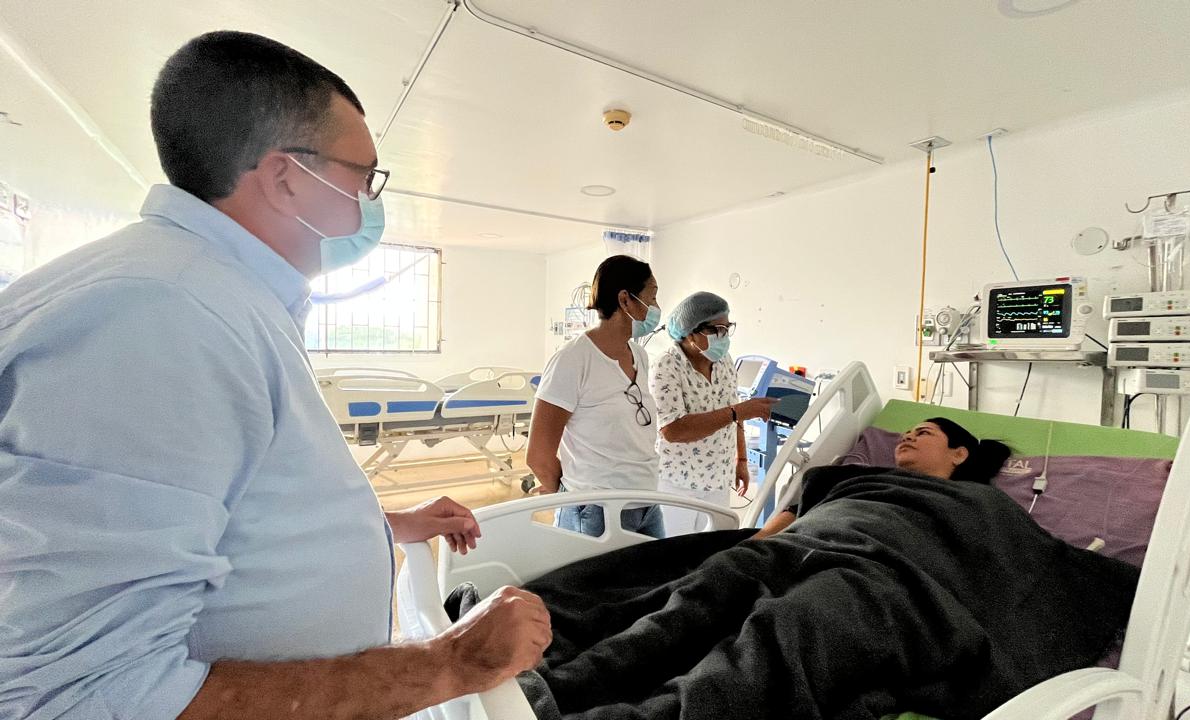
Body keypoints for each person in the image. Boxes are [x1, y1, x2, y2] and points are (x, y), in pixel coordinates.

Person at [0, 32, 550, 720]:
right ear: (288, 177)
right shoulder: (161, 315)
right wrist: (454, 664)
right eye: (363, 178)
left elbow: (228, 511)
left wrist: (385, 526)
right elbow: (92, 697)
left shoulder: (208, 298)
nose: (367, 204)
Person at [526, 255, 665, 538]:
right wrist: (571, 499)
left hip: (648, 504)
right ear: (625, 300)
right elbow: (539, 455)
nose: (656, 308)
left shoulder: (639, 355)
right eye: (652, 296)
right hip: (596, 511)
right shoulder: (573, 359)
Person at [754, 417, 1012, 538]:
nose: (907, 437)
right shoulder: (855, 477)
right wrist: (759, 542)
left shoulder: (973, 502)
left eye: (923, 433)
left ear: (959, 454)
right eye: (906, 433)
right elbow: (799, 510)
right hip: (801, 542)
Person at [649, 291, 776, 534]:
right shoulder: (667, 365)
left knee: (711, 552)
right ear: (689, 331)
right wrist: (737, 411)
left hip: (718, 478)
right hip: (677, 483)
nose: (724, 337)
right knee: (675, 552)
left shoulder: (725, 361)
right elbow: (673, 430)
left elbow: (735, 415)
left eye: (727, 328)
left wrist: (741, 460)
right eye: (716, 329)